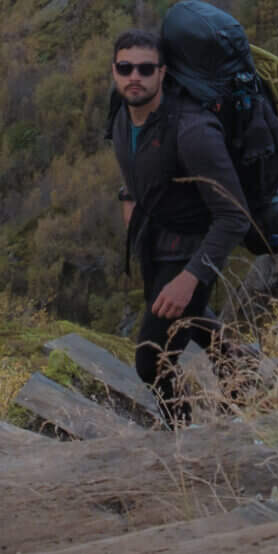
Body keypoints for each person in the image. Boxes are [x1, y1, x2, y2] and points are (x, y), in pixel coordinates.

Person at [109, 26, 248, 424]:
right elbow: (136, 162)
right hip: (154, 241)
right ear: (114, 71)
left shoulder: (192, 131)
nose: (134, 77)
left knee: (151, 361)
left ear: (163, 73)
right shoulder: (121, 112)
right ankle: (246, 385)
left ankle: (182, 436)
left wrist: (190, 278)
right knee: (196, 318)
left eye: (145, 69)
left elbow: (234, 215)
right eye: (125, 68)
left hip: (192, 248)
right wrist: (129, 195)